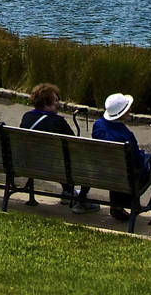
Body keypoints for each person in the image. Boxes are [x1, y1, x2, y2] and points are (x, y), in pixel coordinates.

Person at [21, 83, 91, 211]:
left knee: (56, 157)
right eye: (56, 100)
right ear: (47, 104)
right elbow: (74, 144)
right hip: (55, 168)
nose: (58, 103)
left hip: (28, 164)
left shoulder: (27, 117)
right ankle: (79, 198)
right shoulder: (58, 121)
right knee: (74, 158)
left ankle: (68, 191)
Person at [91, 92, 151, 221]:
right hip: (124, 178)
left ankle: (117, 206)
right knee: (148, 165)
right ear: (122, 113)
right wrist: (143, 156)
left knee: (116, 166)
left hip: (103, 173)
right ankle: (124, 204)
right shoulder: (125, 135)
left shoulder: (98, 125)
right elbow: (138, 163)